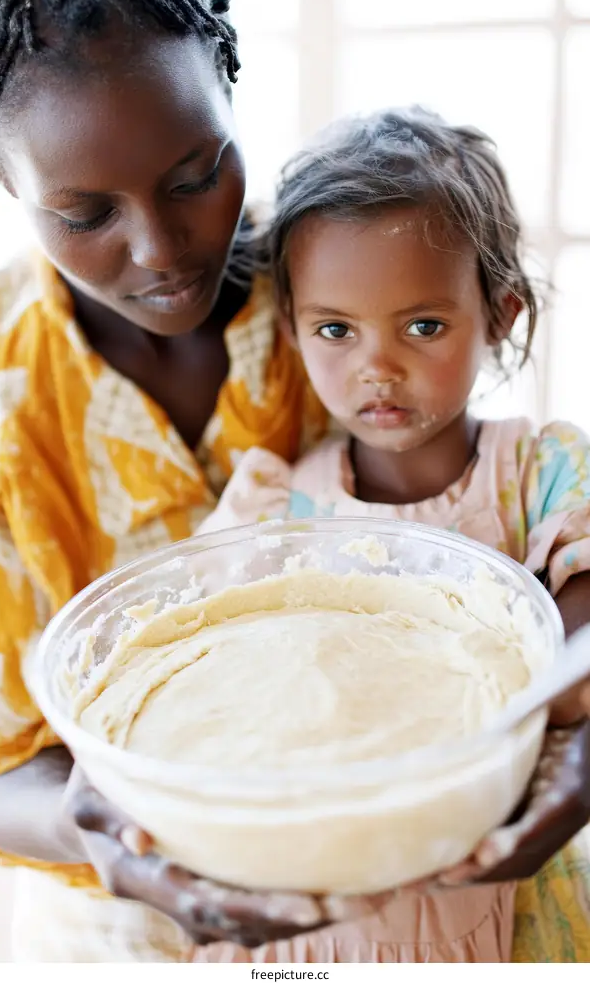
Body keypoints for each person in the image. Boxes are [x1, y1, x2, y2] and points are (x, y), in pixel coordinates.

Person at [0, 0, 328, 962]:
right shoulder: (5, 403)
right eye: (86, 215)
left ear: (230, 86)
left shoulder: (346, 293)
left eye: (196, 176)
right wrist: (89, 826)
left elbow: (503, 503)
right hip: (115, 922)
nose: (163, 249)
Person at [194, 107, 590, 962]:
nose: (376, 366)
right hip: (327, 914)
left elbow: (573, 657)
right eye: (336, 329)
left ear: (501, 315)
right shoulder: (282, 507)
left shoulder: (544, 471)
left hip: (500, 884)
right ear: (292, 327)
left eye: (423, 325)